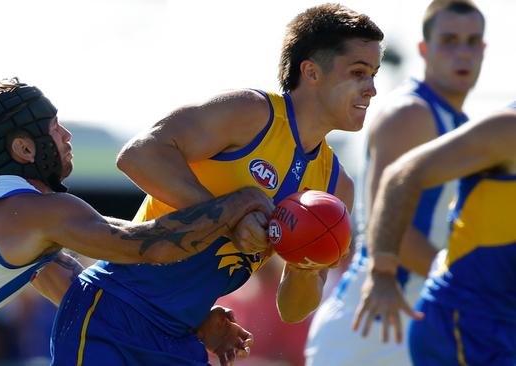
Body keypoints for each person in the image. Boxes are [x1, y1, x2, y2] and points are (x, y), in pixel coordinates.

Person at [49, 4, 384, 365]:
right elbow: (137, 155)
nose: (372, 89)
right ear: (312, 71)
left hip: (183, 336)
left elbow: (292, 309)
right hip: (114, 310)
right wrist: (228, 217)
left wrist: (304, 262)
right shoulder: (252, 113)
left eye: (375, 74)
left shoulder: (336, 186)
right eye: (358, 73)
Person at [0, 78, 275, 366]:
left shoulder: (4, 208)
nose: (66, 136)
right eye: (53, 127)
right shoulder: (41, 210)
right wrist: (242, 201)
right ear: (25, 148)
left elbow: (81, 291)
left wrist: (189, 320)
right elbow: (149, 246)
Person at [304, 1, 485, 365]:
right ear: (424, 49)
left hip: (411, 318)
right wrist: (476, 290)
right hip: (375, 323)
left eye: (472, 41)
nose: (462, 53)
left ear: (483, 50)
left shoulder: (458, 120)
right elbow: (384, 222)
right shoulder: (412, 113)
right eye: (449, 40)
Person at [353, 102, 516, 365]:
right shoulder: (508, 128)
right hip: (464, 324)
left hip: (503, 326)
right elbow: (400, 175)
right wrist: (382, 270)